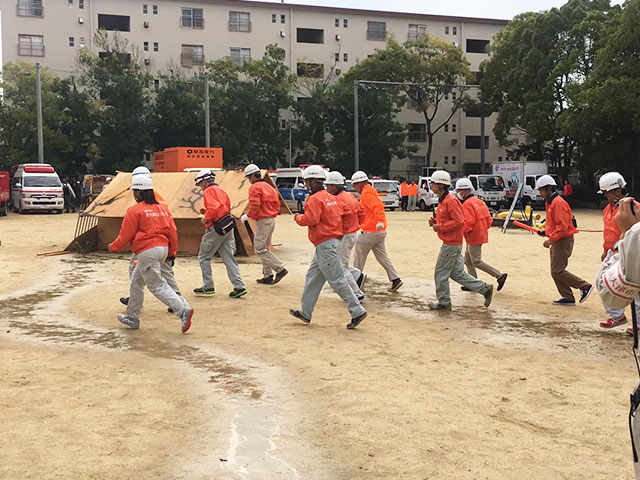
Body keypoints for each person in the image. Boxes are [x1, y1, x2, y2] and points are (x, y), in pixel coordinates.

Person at [108, 175, 193, 333]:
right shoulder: (161, 208)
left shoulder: (135, 210)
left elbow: (125, 234)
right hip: (163, 248)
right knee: (136, 283)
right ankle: (132, 318)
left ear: (138, 192)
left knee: (157, 285)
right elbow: (172, 231)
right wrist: (172, 252)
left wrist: (114, 246)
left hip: (147, 251)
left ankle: (182, 310)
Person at [290, 165, 367, 330]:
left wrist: (298, 218)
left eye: (306, 181)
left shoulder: (315, 199)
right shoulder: (329, 197)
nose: (305, 184)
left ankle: (357, 311)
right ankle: (305, 311)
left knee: (337, 280)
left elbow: (311, 219)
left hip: (325, 244)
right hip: (328, 243)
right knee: (312, 278)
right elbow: (346, 212)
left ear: (311, 181)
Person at [119, 166, 182, 312]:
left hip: (148, 244)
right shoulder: (155, 197)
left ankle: (177, 303)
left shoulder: (149, 200)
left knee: (145, 276)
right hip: (161, 243)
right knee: (162, 271)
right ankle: (174, 299)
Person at [427, 171, 494, 310]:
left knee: (440, 274)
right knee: (457, 274)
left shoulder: (450, 201)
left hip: (451, 244)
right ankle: (484, 288)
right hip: (453, 243)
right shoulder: (445, 200)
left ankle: (444, 302)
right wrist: (436, 222)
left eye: (433, 184)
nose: (431, 186)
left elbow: (459, 221)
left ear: (441, 185)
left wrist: (440, 226)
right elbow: (452, 219)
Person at [536, 175, 592, 306]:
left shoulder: (558, 203)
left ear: (549, 189)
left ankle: (584, 286)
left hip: (563, 240)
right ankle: (567, 297)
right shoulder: (550, 202)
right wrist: (546, 232)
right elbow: (554, 224)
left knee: (557, 271)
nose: (539, 192)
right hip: (558, 239)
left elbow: (563, 227)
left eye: (541, 190)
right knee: (555, 271)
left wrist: (550, 240)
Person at [596, 172, 640, 329]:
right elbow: (607, 231)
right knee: (601, 282)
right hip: (612, 252)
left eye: (606, 192)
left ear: (616, 191)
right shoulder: (608, 209)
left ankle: (639, 324)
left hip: (627, 251)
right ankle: (617, 316)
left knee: (635, 289)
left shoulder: (634, 207)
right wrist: (605, 249)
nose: (605, 196)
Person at [194, 169, 247, 298]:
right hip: (227, 226)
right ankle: (239, 286)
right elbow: (223, 207)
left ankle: (208, 286)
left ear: (205, 181)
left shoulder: (209, 191)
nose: (201, 187)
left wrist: (205, 218)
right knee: (229, 258)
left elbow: (213, 208)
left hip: (215, 227)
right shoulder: (221, 190)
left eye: (201, 183)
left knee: (203, 257)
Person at [351, 171, 403, 292]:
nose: (354, 188)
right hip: (379, 231)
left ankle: (356, 282)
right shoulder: (369, 191)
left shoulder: (367, 193)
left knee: (359, 255)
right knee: (382, 257)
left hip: (370, 230)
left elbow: (377, 206)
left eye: (354, 185)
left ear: (359, 184)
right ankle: (395, 279)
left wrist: (379, 220)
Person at [455, 178, 508, 291]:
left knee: (476, 261)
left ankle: (499, 275)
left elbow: (468, 223)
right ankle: (472, 283)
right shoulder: (479, 201)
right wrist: (482, 229)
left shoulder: (467, 205)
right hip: (480, 234)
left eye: (459, 191)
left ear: (464, 191)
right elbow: (489, 219)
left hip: (473, 236)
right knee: (468, 261)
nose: (458, 194)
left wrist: (458, 231)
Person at [240, 164, 288, 285]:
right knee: (265, 248)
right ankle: (267, 275)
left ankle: (279, 268)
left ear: (251, 176)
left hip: (263, 220)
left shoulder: (255, 188)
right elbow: (277, 205)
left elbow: (255, 205)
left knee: (260, 249)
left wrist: (249, 216)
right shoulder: (270, 187)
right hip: (271, 219)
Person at [325, 171, 365, 301]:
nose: (327, 188)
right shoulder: (350, 196)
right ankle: (357, 275)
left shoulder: (337, 199)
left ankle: (357, 294)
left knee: (341, 266)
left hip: (344, 235)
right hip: (352, 233)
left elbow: (335, 219)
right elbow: (361, 211)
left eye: (328, 186)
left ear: (334, 187)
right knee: (343, 262)